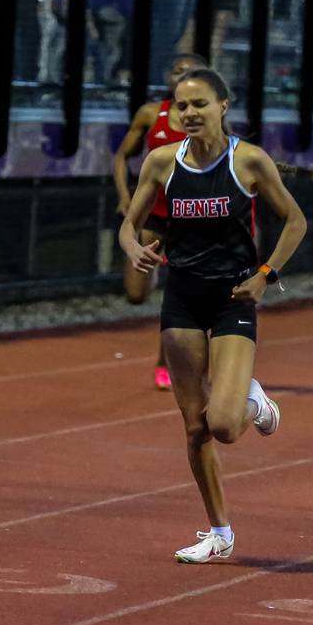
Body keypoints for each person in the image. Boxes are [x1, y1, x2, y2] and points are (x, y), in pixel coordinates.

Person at [118, 67, 307, 563]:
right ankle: (219, 533)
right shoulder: (160, 163)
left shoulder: (248, 161)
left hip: (232, 300)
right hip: (181, 298)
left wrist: (266, 274)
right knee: (194, 426)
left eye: (200, 104)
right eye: (182, 106)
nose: (189, 113)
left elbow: (295, 221)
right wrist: (133, 247)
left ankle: (257, 405)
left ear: (224, 105)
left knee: (223, 424)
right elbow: (128, 224)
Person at [113, 52, 208, 391]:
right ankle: (156, 270)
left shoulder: (208, 119)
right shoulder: (152, 114)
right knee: (136, 294)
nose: (182, 76)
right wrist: (125, 196)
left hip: (190, 218)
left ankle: (163, 360)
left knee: (179, 295)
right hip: (153, 214)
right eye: (177, 71)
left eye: (191, 72)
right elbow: (122, 156)